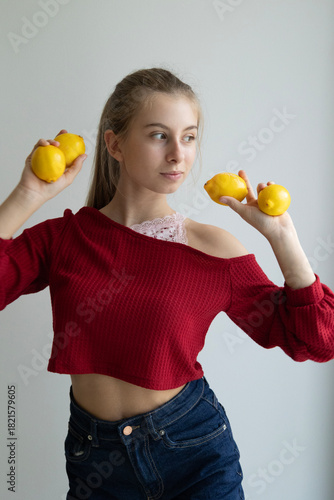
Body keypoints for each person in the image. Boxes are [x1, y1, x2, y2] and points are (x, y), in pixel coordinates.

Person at [1, 68, 334, 500]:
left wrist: (282, 236)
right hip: (94, 463)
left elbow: (317, 341)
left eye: (189, 137)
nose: (179, 154)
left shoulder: (212, 248)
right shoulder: (65, 238)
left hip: (193, 454)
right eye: (159, 135)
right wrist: (27, 194)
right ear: (115, 144)